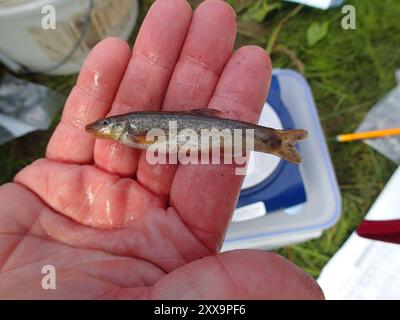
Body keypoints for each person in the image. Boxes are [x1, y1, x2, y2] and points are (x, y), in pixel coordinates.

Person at [0, 0, 323, 299]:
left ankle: (274, 140)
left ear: (119, 129)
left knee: (231, 136)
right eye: (104, 128)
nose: (101, 131)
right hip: (189, 135)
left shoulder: (132, 131)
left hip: (193, 133)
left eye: (105, 127)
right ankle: (273, 141)